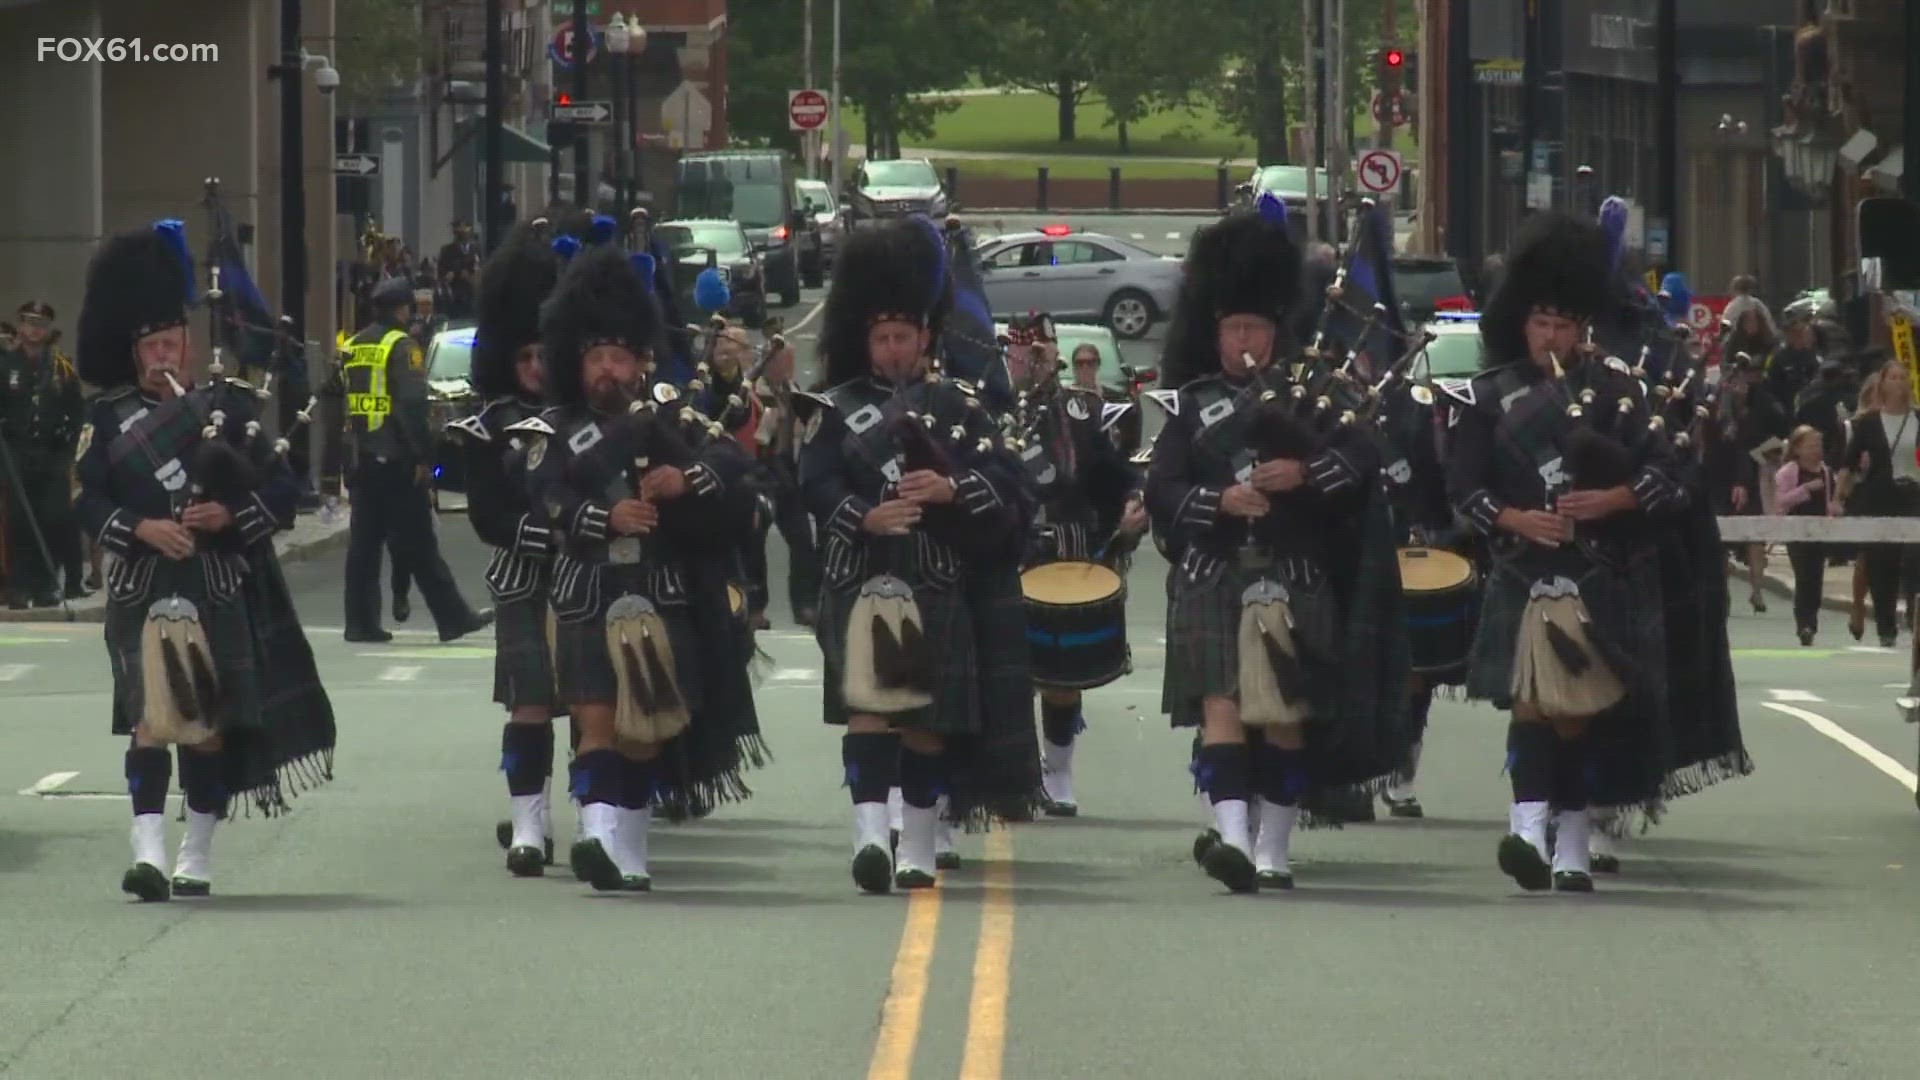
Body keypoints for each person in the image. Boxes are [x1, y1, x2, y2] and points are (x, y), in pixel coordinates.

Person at [1146, 199, 1411, 892]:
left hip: (1294, 573)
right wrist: (1219, 501)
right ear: (1215, 331)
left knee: (1285, 715)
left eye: (1255, 328)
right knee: (1223, 705)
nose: (1244, 342)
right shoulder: (1189, 403)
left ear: (1275, 329)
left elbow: (1362, 460)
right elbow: (1164, 491)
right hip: (1214, 572)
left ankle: (1273, 848)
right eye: (1233, 328)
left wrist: (1302, 473)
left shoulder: (1317, 395)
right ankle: (1233, 839)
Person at [73, 220, 336, 901]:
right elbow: (85, 501)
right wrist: (140, 528)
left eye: (172, 343)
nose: (164, 356)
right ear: (131, 353)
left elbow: (282, 492)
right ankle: (148, 850)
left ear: (190, 345)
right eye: (151, 346)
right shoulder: (106, 421)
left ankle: (197, 849)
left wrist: (227, 517)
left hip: (214, 585)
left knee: (208, 729)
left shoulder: (228, 411)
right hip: (142, 585)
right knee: (149, 721)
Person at [798, 216, 1045, 894]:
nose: (891, 349)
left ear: (926, 336)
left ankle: (917, 844)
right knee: (869, 711)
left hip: (936, 578)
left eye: (902, 336)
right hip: (863, 574)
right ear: (864, 340)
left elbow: (1009, 483)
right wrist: (865, 515)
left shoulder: (960, 407)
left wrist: (949, 486)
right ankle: (870, 840)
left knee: (928, 725)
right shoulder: (834, 407)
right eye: (880, 338)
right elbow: (813, 484)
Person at [1445, 211, 1687, 893]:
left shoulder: (1619, 394)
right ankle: (1527, 829)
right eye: (1539, 323)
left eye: (1563, 325)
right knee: (1530, 704)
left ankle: (1572, 840)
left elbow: (1670, 478)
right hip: (1525, 571)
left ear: (1584, 328)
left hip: (1595, 573)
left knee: (1576, 715)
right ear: (1522, 322)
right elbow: (1462, 490)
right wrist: (1515, 519)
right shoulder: (1489, 397)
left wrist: (1614, 501)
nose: (1549, 336)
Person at [520, 245, 768, 892]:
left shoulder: (668, 419)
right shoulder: (553, 428)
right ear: (578, 362)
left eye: (619, 358)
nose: (608, 370)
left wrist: (685, 479)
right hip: (585, 592)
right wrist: (607, 520)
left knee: (643, 733)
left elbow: (734, 463)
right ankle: (599, 841)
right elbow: (549, 499)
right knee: (597, 720)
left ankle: (628, 854)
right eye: (597, 358)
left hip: (658, 594)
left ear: (640, 361)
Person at [446, 225, 569, 876]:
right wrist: (544, 533)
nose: (537, 368)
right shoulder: (487, 427)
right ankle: (530, 825)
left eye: (545, 355)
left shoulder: (586, 421)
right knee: (530, 701)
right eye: (525, 357)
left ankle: (599, 816)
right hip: (524, 578)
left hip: (588, 578)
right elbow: (489, 515)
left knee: (596, 707)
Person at [1002, 311, 1145, 815]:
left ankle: (1057, 772)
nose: (1028, 362)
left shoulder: (1079, 413)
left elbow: (1116, 473)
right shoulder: (981, 408)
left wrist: (1133, 505)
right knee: (999, 671)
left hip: (1062, 546)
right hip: (999, 550)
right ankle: (1007, 775)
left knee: (1058, 676)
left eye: (1038, 353)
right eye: (1020, 353)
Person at [338, 275, 491, 643]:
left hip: (361, 458)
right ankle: (453, 617)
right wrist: (424, 455)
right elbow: (410, 405)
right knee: (420, 542)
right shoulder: (403, 347)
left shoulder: (355, 345)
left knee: (363, 547)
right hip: (395, 458)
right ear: (403, 308)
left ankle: (360, 623)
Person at [0, 300, 87, 606]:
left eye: (40, 324)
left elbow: (78, 412)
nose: (34, 330)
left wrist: (67, 451)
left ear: (48, 329)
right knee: (19, 521)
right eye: (28, 322)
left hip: (51, 456)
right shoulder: (5, 364)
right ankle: (18, 586)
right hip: (15, 455)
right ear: (20, 325)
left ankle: (47, 584)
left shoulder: (61, 368)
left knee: (52, 518)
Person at [1777, 425, 1839, 644]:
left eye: (1818, 445)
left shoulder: (1827, 472)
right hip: (1796, 531)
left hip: (1820, 532)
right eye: (1810, 445)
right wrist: (1805, 490)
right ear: (1797, 449)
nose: (1816, 449)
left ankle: (1811, 622)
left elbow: (1831, 500)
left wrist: (1835, 509)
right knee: (1803, 576)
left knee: (1815, 578)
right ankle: (1804, 624)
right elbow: (1780, 501)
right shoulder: (1789, 471)